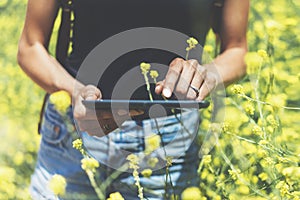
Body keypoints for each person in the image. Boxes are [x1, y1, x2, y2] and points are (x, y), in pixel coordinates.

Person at [17, 0, 249, 199]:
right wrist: (73, 92)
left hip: (167, 139)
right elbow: (30, 47)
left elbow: (237, 51)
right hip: (74, 129)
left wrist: (204, 76)